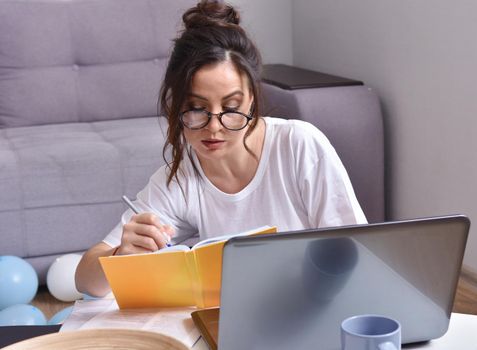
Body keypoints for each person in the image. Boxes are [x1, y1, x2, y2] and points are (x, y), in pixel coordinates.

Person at [75, 0, 367, 297]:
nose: (214, 127)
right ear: (175, 105)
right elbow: (85, 280)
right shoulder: (179, 179)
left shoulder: (299, 145)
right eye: (196, 108)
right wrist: (119, 256)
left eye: (230, 107)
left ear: (251, 99)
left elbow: (355, 252)